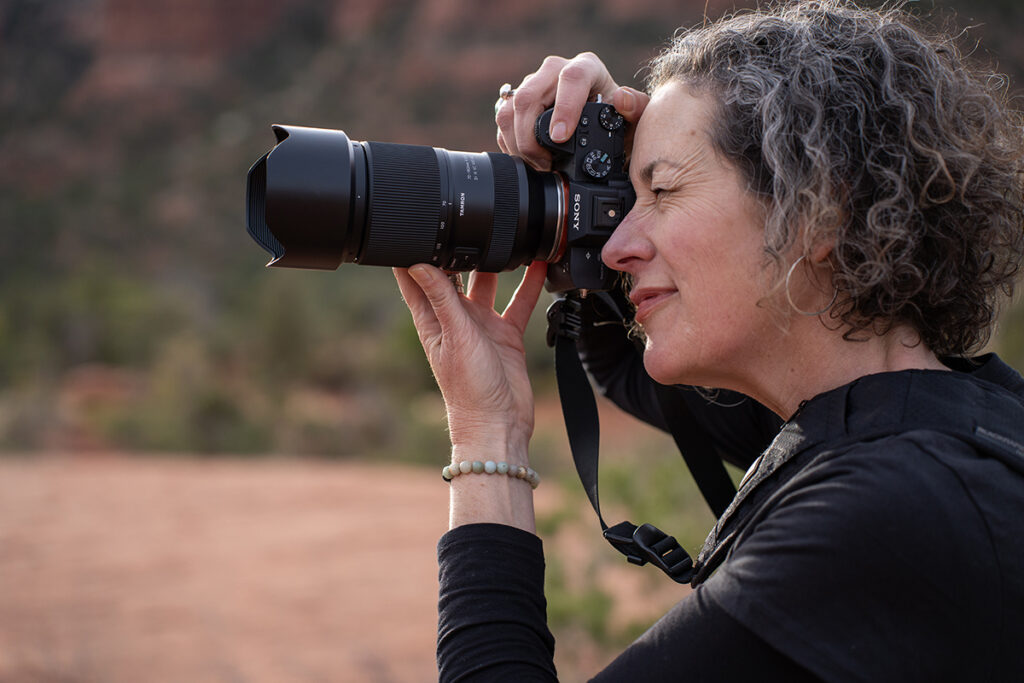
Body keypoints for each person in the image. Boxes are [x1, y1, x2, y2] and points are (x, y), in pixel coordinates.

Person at [393, 0, 1024, 679]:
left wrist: (487, 437)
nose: (620, 246)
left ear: (819, 212)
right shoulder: (955, 427)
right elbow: (626, 370)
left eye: (662, 192)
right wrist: (599, 165)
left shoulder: (882, 516)